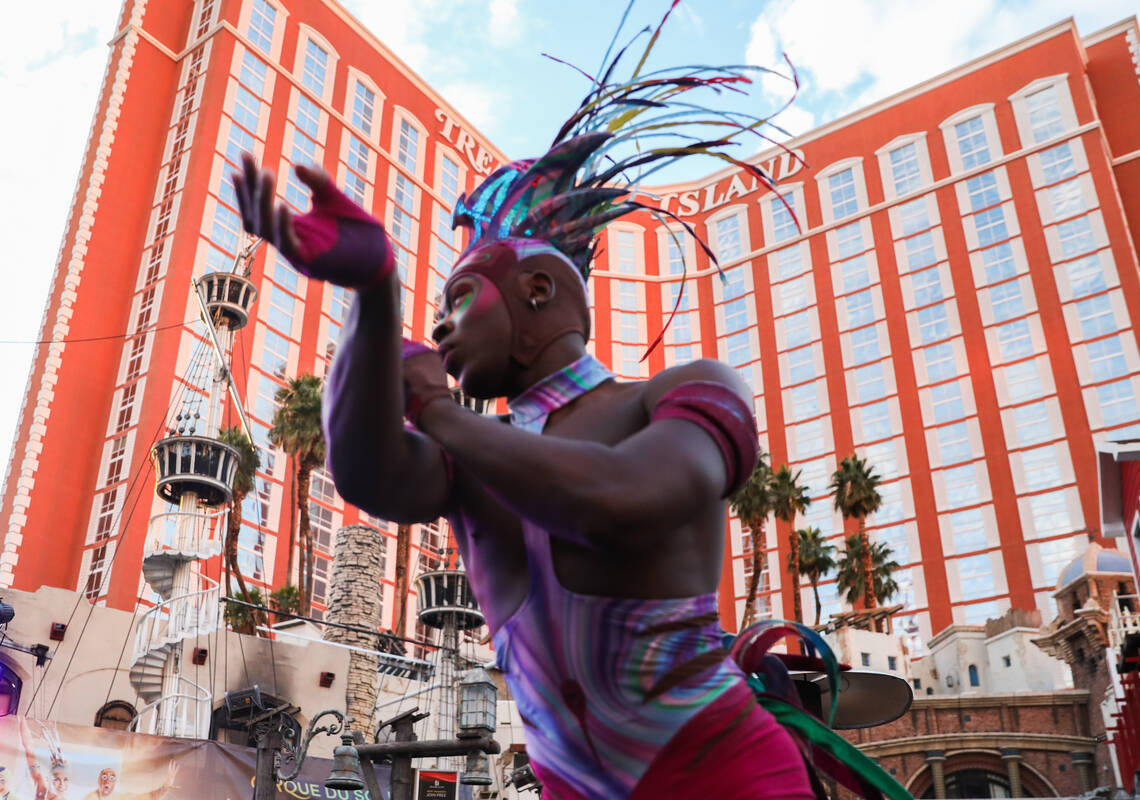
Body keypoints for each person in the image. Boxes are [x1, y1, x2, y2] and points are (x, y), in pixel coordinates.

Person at [234, 11, 815, 799]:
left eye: (461, 296)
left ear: (538, 291)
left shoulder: (682, 391)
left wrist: (440, 413)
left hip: (723, 773)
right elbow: (367, 474)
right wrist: (372, 294)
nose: (439, 324)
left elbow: (621, 501)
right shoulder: (472, 452)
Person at [18, 718, 69, 800]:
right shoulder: (42, 790)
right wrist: (22, 718)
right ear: (48, 779)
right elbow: (29, 748)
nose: (62, 785)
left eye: (65, 779)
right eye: (57, 779)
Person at [83, 760, 179, 800]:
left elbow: (151, 796)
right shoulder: (91, 798)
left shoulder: (122, 798)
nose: (107, 781)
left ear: (115, 783)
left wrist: (166, 785)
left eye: (111, 778)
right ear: (99, 781)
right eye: (104, 777)